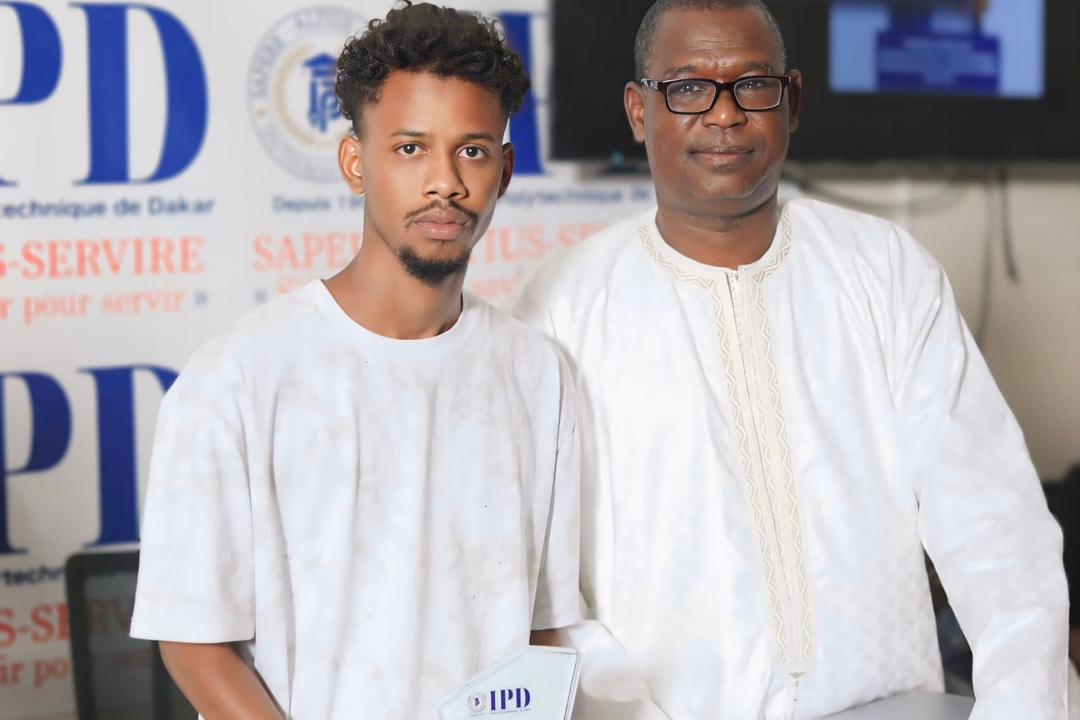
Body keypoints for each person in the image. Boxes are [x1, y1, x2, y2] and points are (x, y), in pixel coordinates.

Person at [513, 1, 1069, 717]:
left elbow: (994, 524)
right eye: (688, 87)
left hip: (889, 703)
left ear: (792, 102)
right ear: (639, 111)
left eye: (753, 85)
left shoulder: (884, 270)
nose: (724, 114)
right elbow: (546, 589)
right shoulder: (561, 307)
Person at [131, 4, 580, 718]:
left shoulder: (538, 373)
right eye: (410, 148)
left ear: (504, 171)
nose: (444, 182)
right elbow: (192, 640)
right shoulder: (238, 377)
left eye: (471, 151)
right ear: (355, 164)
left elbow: (543, 626)